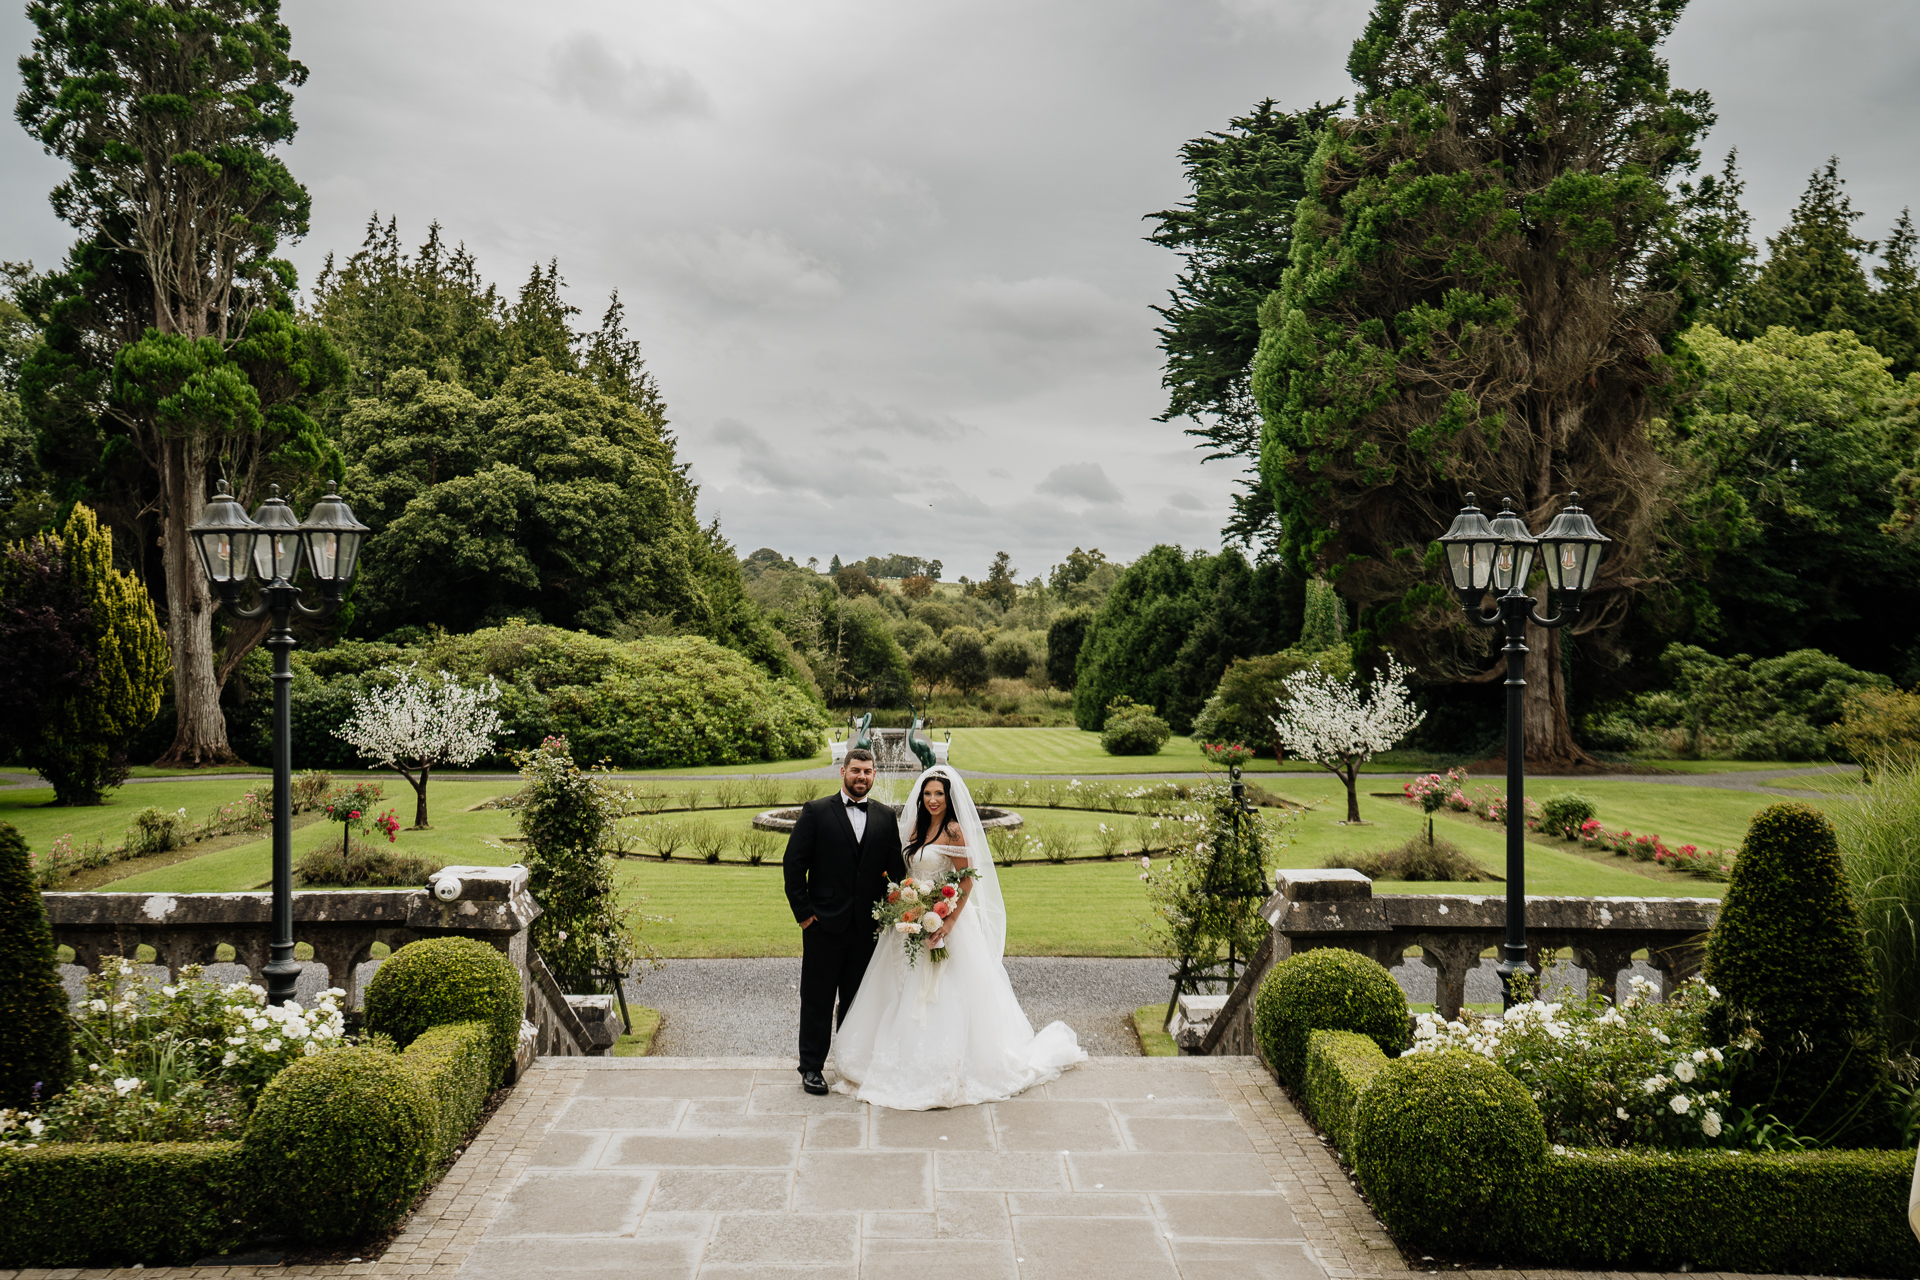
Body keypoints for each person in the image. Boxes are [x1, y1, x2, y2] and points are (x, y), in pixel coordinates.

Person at [832, 765, 1085, 1109]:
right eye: (928, 794)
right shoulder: (917, 828)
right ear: (921, 798)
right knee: (901, 988)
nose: (933, 799)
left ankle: (944, 1069)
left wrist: (946, 922)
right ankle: (898, 1058)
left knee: (941, 995)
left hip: (944, 924)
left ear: (949, 798)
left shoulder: (953, 831)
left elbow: (965, 881)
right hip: (912, 922)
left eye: (939, 794)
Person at [783, 748, 905, 1096]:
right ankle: (811, 1068)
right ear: (843, 773)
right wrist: (805, 916)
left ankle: (851, 1064)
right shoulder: (817, 812)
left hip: (866, 929)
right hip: (822, 925)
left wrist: (890, 914)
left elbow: (895, 872)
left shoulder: (884, 816)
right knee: (818, 999)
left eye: (867, 772)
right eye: (855, 771)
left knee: (857, 1001)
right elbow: (794, 865)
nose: (861, 777)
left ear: (875, 775)